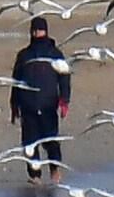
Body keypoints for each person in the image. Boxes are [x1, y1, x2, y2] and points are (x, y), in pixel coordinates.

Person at [9, 16, 71, 184]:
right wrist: (14, 104)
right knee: (29, 143)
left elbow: (64, 78)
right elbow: (16, 81)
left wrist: (64, 100)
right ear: (31, 32)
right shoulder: (24, 55)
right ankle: (35, 176)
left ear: (46, 31)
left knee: (51, 140)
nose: (38, 33)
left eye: (40, 30)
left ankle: (55, 169)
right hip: (27, 105)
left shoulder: (55, 54)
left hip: (48, 104)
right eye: (35, 30)